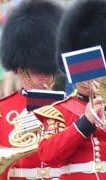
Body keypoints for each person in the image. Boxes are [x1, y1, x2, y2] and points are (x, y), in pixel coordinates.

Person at [0, 0, 64, 179]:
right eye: (37, 70)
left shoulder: (66, 106)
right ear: (21, 70)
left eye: (49, 70)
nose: (45, 76)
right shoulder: (0, 110)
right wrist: (7, 154)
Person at [33, 0, 106, 179]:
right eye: (83, 72)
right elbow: (47, 154)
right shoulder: (59, 111)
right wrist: (85, 122)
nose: (89, 78)